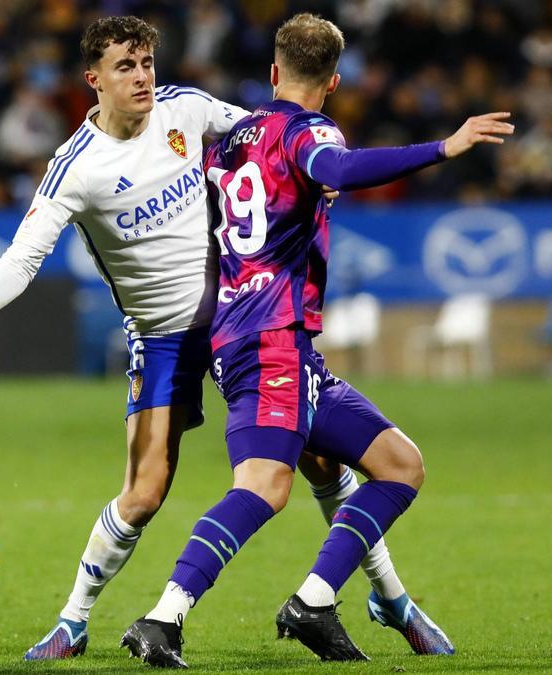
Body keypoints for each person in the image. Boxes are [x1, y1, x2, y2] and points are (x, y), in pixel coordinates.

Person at [0, 16, 435, 661]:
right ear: (94, 81)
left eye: (147, 63)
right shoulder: (75, 169)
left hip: (241, 319)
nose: (143, 77)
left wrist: (317, 171)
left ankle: (390, 596)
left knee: (323, 462)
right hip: (164, 338)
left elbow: (262, 134)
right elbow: (21, 258)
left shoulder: (189, 110)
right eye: (125, 67)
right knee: (145, 492)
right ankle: (73, 620)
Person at [120, 13, 513, 667]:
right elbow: (335, 164)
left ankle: (319, 598)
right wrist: (441, 148)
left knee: (399, 463)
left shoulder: (234, 138)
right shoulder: (308, 132)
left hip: (251, 341)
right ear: (333, 81)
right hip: (274, 339)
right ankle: (163, 616)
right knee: (265, 485)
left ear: (274, 73)